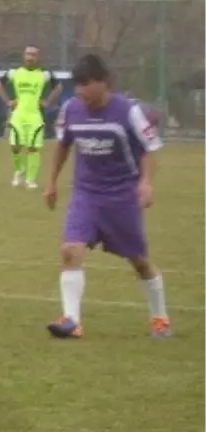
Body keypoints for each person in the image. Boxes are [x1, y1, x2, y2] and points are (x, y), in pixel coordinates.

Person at [43, 54, 170, 339]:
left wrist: (146, 183)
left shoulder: (128, 111)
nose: (81, 94)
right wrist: (50, 182)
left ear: (105, 83)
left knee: (139, 261)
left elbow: (151, 148)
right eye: (78, 87)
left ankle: (160, 317)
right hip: (86, 194)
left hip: (122, 196)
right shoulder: (71, 110)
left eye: (87, 87)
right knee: (69, 250)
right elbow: (63, 146)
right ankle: (71, 320)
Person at [0, 46, 62, 189]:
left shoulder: (45, 74)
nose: (30, 57)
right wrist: (8, 101)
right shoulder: (14, 72)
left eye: (33, 55)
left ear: (38, 57)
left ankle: (30, 180)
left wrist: (48, 102)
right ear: (23, 56)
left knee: (33, 148)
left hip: (36, 116)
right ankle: (19, 170)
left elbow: (58, 87)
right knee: (15, 146)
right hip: (18, 115)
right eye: (27, 54)